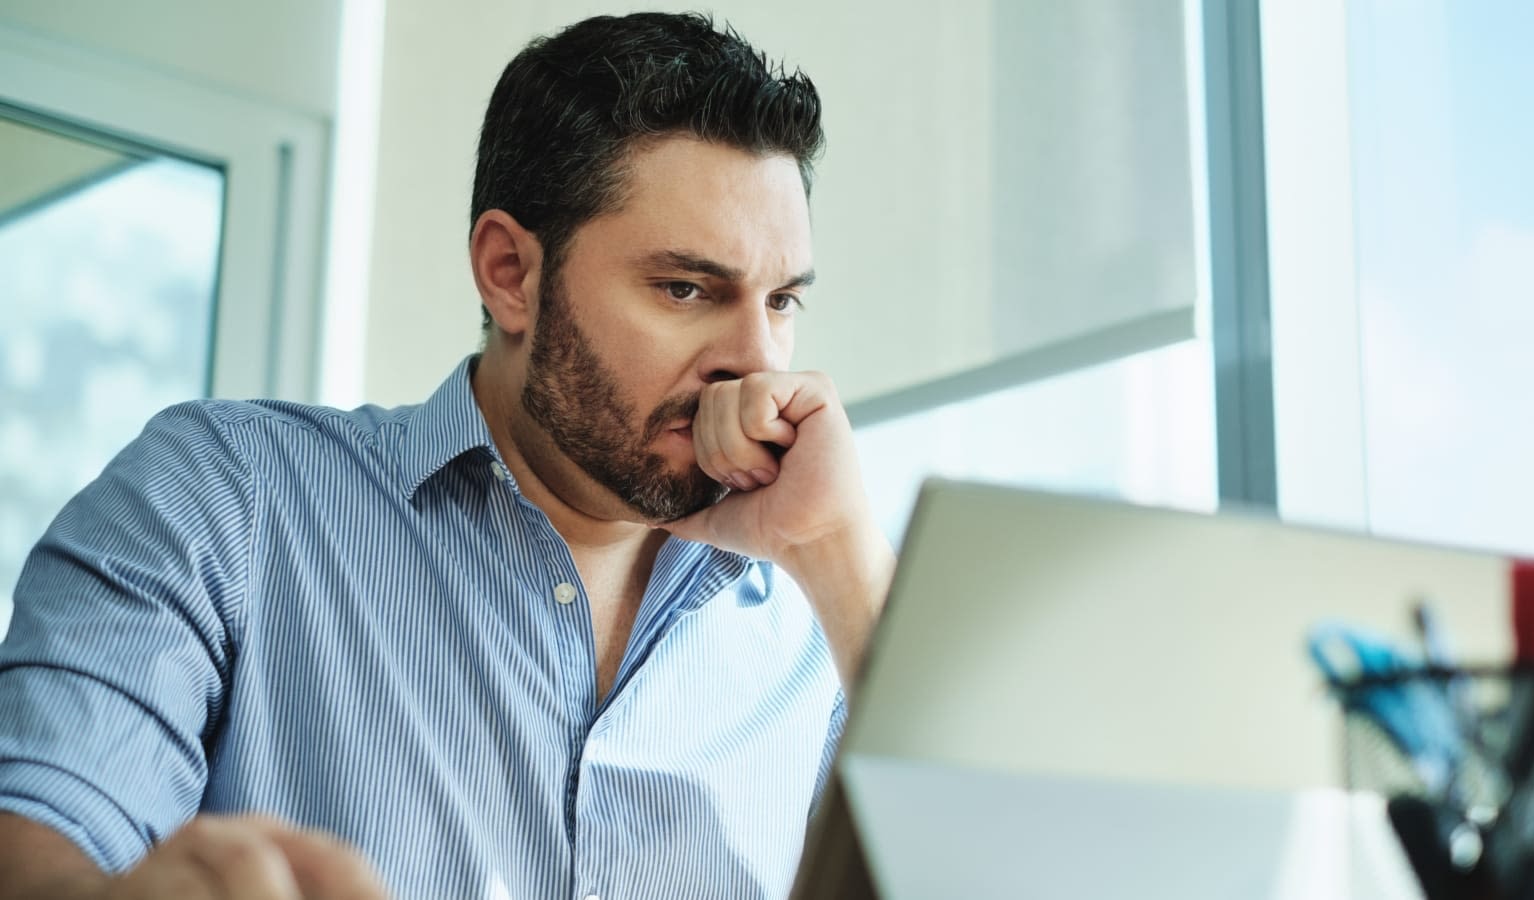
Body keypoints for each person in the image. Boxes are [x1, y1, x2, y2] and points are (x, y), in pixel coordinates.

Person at [0, 12, 894, 900]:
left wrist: (836, 556)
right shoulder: (222, 497)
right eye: (686, 288)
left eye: (781, 302)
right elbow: (37, 849)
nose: (759, 361)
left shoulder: (814, 629)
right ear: (510, 273)